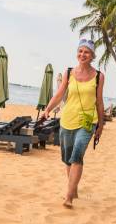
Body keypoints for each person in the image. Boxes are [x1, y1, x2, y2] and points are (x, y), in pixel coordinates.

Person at [41, 39, 105, 209]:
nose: (83, 54)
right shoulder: (69, 72)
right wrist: (48, 109)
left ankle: (69, 196)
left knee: (77, 155)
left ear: (92, 56)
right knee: (68, 159)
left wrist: (100, 125)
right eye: (80, 51)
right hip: (67, 120)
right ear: (77, 53)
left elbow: (99, 102)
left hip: (87, 122)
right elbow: (60, 94)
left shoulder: (99, 76)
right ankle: (73, 189)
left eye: (87, 52)